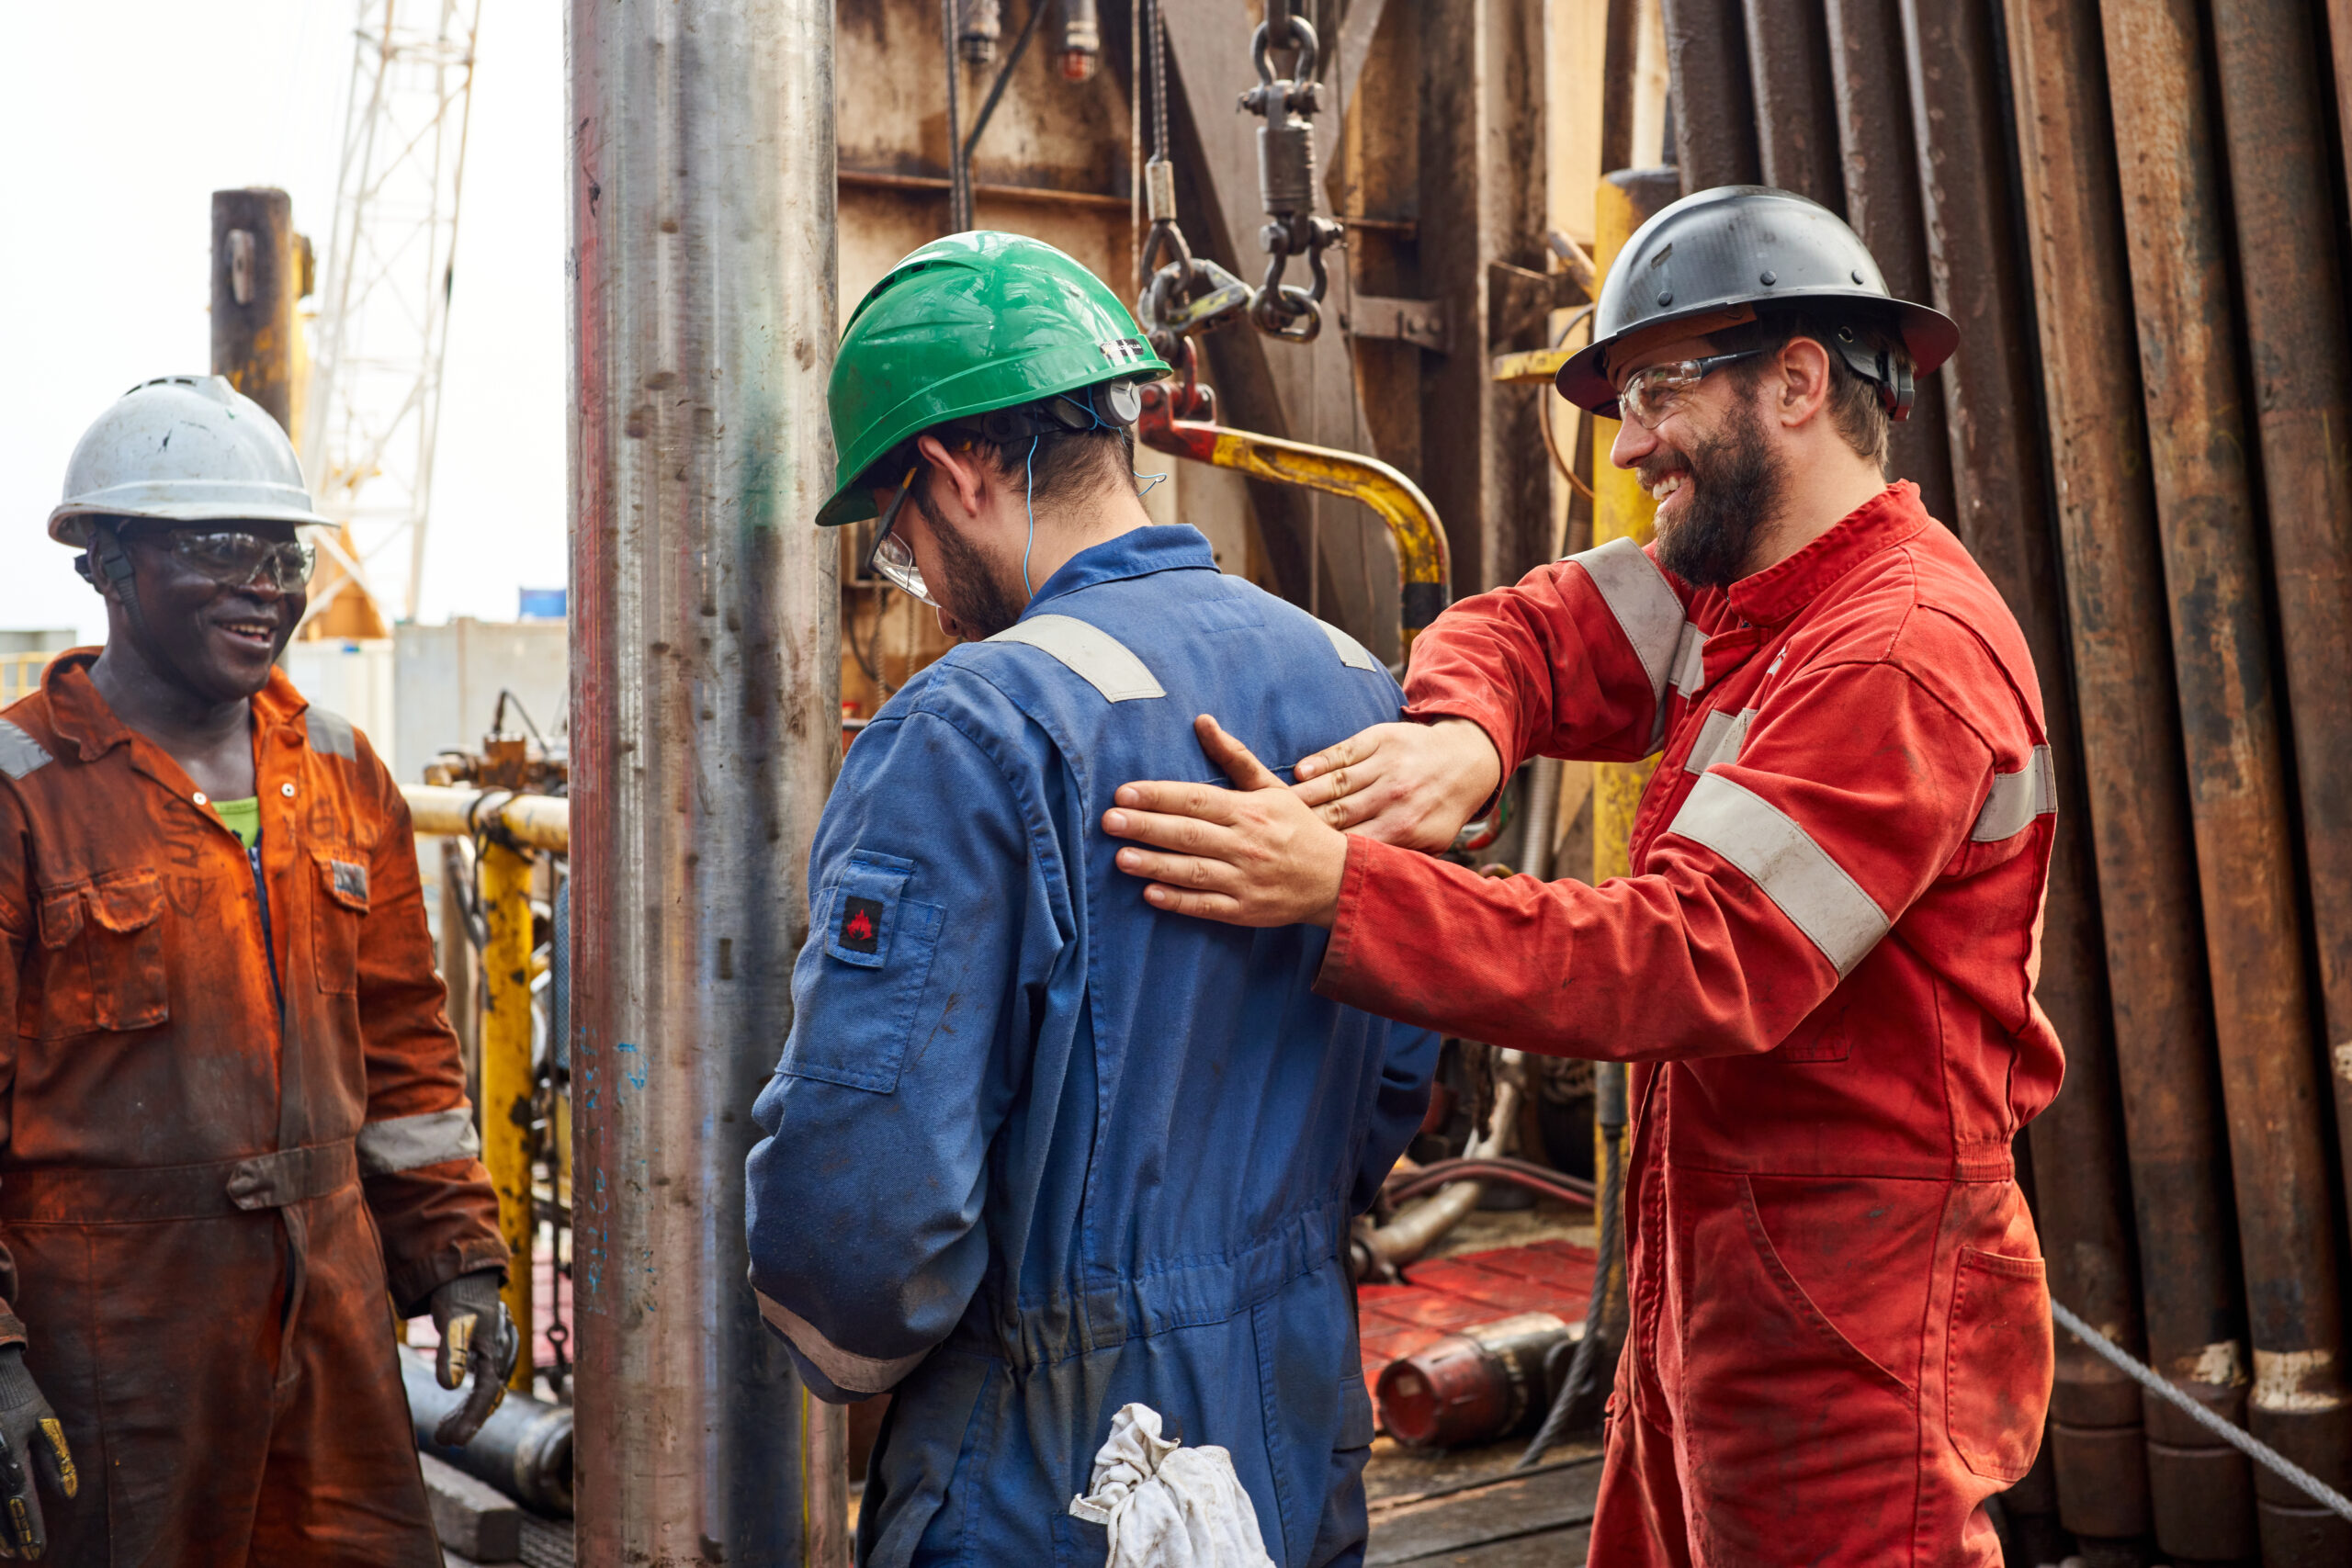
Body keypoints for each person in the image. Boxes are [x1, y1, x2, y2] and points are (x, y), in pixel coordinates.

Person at [1102, 187, 2060, 1565]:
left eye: (1661, 391)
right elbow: (1528, 631)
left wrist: (1339, 889)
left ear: (1796, 381)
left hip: (1857, 1298)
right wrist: (1466, 740)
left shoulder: (1898, 654)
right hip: (1726, 1262)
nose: (1635, 441)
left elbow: (1685, 959)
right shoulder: (1735, 588)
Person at [741, 232, 1440, 1568]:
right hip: (1297, 1425)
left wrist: (853, 1353)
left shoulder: (971, 728)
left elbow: (869, 1203)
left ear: (958, 471)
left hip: (1053, 1464)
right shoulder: (1357, 682)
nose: (930, 594)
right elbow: (1399, 1070)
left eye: (905, 546)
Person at [0, 375, 515, 1564]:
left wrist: (460, 1264)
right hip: (113, 1345)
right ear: (108, 566)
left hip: (329, 1329)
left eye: (282, 554)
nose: (265, 585)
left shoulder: (339, 771)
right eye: (219, 548)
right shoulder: (23, 796)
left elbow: (406, 1053)